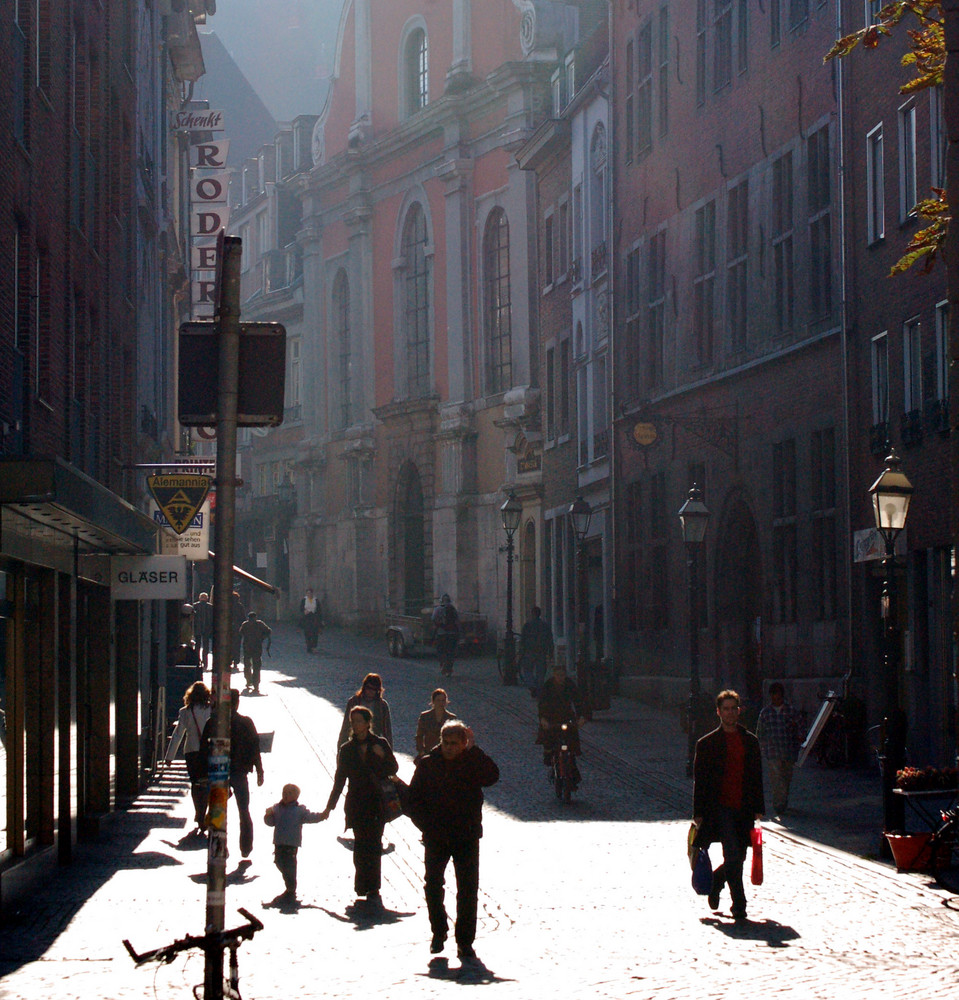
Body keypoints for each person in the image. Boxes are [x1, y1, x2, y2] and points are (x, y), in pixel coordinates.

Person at [407, 720, 500, 960]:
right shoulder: (428, 764)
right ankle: (439, 932)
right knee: (433, 886)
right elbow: (412, 801)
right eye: (445, 743)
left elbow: (492, 776)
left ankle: (465, 941)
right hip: (436, 837)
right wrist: (426, 826)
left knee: (467, 890)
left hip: (466, 836)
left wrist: (474, 750)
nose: (449, 748)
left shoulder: (471, 762)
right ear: (440, 741)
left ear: (462, 744)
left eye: (454, 744)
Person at [692, 689, 765, 922]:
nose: (730, 713)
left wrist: (758, 807)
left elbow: (756, 776)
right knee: (732, 853)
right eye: (726, 709)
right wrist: (698, 813)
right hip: (720, 808)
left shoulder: (750, 741)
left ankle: (716, 882)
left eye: (734, 708)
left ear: (739, 710)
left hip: (743, 807)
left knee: (739, 857)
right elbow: (700, 781)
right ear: (718, 712)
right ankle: (740, 904)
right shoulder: (707, 744)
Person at [319, 706, 399, 909]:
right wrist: (330, 806)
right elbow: (340, 779)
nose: (355, 724)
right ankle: (362, 884)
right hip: (356, 803)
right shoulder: (347, 749)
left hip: (376, 802)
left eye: (358, 721)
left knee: (374, 844)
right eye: (353, 721)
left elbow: (393, 768)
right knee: (361, 845)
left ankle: (373, 887)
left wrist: (381, 755)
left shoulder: (379, 743)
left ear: (367, 723)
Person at [202, 689, 265, 858]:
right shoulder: (246, 722)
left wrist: (204, 772)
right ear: (237, 703)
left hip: (218, 771)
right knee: (243, 810)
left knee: (217, 810)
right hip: (239, 771)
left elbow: (203, 750)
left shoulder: (213, 722)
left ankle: (218, 845)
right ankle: (246, 846)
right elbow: (255, 748)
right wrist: (259, 770)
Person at [165, 680, 212, 835]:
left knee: (195, 783)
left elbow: (178, 734)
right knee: (205, 782)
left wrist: (169, 756)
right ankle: (203, 812)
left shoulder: (185, 712)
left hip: (191, 751)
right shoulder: (211, 710)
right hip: (207, 752)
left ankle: (198, 811)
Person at [264, 782, 324, 901]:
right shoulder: (277, 808)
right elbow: (270, 823)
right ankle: (289, 882)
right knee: (279, 862)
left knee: (290, 865)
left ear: (296, 797)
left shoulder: (299, 810)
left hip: (292, 843)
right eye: (284, 793)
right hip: (279, 842)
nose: (286, 795)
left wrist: (322, 816)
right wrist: (267, 816)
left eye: (289, 793)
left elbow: (310, 817)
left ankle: (291, 888)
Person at [756, 681, 802, 817]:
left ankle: (783, 799)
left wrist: (800, 739)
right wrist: (761, 746)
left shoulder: (791, 711)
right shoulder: (765, 713)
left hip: (788, 750)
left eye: (778, 696)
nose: (776, 699)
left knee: (786, 777)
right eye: (773, 696)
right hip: (772, 751)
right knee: (776, 778)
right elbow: (760, 731)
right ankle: (778, 804)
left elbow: (800, 727)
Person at [536, 663, 588, 780]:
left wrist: (582, 717)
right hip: (551, 717)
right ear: (554, 675)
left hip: (566, 716)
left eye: (562, 675)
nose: (560, 677)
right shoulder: (548, 686)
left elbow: (578, 700)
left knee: (572, 741)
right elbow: (542, 703)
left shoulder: (570, 685)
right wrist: (543, 718)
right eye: (558, 675)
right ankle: (549, 756)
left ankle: (572, 771)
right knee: (548, 737)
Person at [337, 673, 393, 748]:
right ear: (364, 687)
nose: (371, 691)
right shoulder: (354, 702)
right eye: (369, 688)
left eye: (374, 689)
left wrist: (388, 751)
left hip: (374, 745)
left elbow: (387, 731)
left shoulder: (382, 705)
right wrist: (340, 747)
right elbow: (346, 726)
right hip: (356, 744)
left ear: (378, 691)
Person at [517, 606, 554, 698]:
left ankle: (532, 686)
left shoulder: (527, 625)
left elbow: (523, 639)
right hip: (542, 651)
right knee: (541, 672)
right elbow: (550, 639)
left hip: (529, 651)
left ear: (532, 614)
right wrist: (551, 652)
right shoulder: (545, 625)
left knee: (527, 670)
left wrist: (521, 651)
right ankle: (539, 689)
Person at [415, 688, 457, 758]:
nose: (441, 703)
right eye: (438, 700)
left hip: (446, 754)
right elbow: (419, 735)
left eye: (443, 700)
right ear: (433, 701)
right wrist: (421, 750)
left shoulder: (451, 718)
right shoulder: (425, 716)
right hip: (429, 753)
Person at [238, 610, 272, 694]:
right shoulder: (259, 623)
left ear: (248, 618)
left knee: (247, 664)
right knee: (256, 666)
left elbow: (240, 632)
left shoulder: (245, 624)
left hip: (247, 647)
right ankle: (256, 684)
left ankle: (248, 680)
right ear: (255, 617)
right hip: (257, 646)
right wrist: (262, 638)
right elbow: (269, 631)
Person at [430, 594, 459, 677]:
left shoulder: (438, 609)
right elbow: (457, 620)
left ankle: (443, 665)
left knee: (441, 650)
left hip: (441, 633)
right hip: (452, 633)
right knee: (451, 651)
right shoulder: (453, 609)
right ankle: (449, 668)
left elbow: (433, 619)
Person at [193, 592, 213, 666]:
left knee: (197, 646)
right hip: (207, 629)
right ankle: (205, 662)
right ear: (207, 598)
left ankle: (197, 660)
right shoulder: (210, 607)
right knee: (206, 646)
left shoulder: (195, 606)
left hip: (197, 628)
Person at [300, 588, 322, 652]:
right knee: (307, 632)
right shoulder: (304, 600)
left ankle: (314, 646)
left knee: (315, 632)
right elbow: (301, 608)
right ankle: (309, 646)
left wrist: (320, 619)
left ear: (312, 593)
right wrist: (304, 611)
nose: (309, 594)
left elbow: (319, 610)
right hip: (307, 618)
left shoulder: (316, 600)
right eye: (308, 593)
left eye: (310, 593)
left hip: (314, 618)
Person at [230, 590, 246, 672]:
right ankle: (236, 661)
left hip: (228, 629)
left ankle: (229, 660)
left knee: (229, 645)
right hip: (238, 629)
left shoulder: (228, 606)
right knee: (237, 645)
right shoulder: (240, 606)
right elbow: (243, 618)